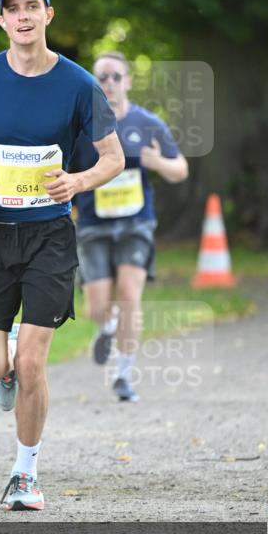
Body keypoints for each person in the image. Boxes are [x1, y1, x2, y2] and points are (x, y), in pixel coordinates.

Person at [0, 0, 125, 511]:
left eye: (32, 6)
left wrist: (77, 181)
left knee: (31, 365)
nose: (23, 16)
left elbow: (112, 158)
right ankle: (2, 367)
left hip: (49, 236)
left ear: (49, 15)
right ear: (2, 21)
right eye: (13, 9)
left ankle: (25, 474)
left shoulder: (77, 85)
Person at [69, 50, 189, 402]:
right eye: (101, 78)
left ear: (128, 82)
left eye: (115, 77)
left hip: (136, 223)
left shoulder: (147, 123)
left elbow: (180, 169)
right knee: (97, 305)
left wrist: (157, 161)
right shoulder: (80, 127)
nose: (108, 83)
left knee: (130, 295)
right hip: (92, 224)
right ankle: (106, 327)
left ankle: (123, 376)